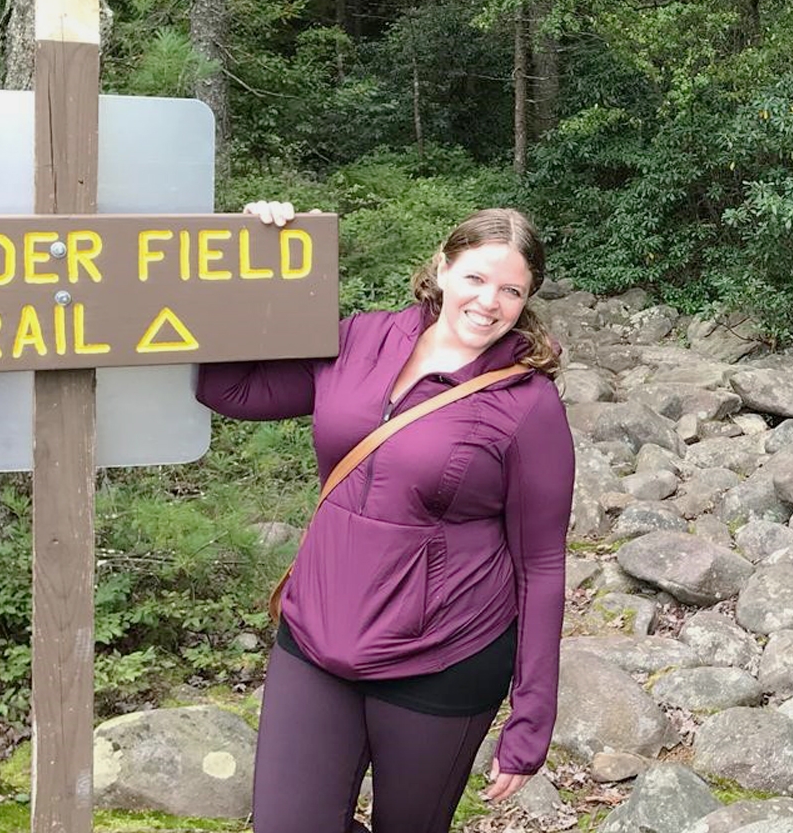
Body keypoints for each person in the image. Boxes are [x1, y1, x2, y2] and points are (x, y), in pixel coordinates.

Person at [195, 203, 574, 833]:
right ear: (444, 268)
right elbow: (229, 389)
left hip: (441, 657)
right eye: (476, 278)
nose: (489, 302)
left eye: (512, 290)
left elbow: (542, 563)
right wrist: (257, 255)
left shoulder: (526, 403)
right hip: (316, 632)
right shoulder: (362, 338)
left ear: (527, 300)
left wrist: (531, 715)